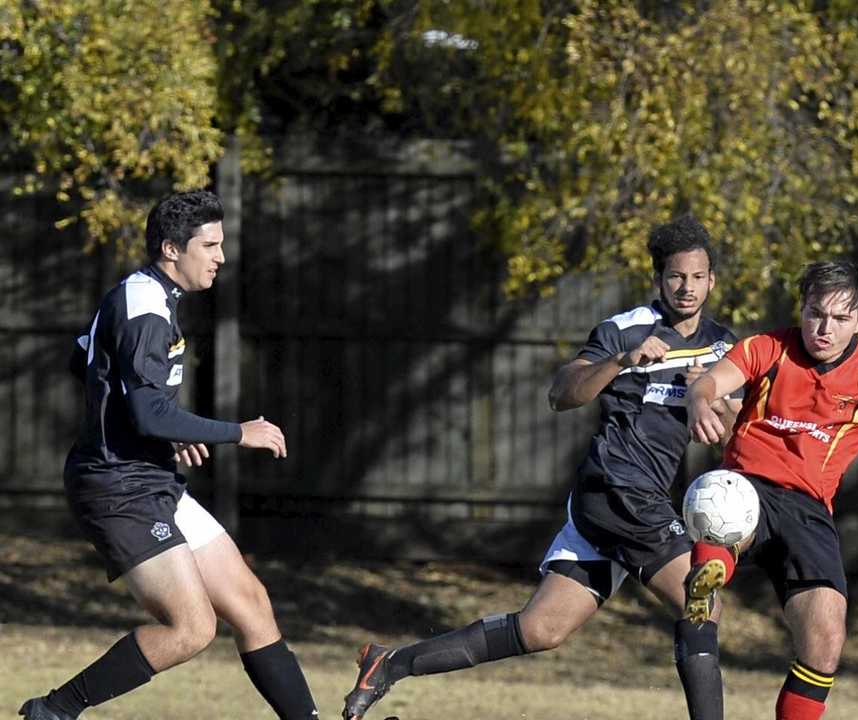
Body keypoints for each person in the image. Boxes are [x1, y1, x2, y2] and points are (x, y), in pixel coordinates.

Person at [342, 214, 742, 720]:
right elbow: (561, 393)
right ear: (659, 278)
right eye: (676, 276)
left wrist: (711, 399)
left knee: (540, 630)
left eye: (698, 276)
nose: (687, 287)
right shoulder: (626, 329)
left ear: (712, 280)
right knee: (701, 603)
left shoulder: (723, 347)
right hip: (617, 490)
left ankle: (390, 664)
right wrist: (621, 361)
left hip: (627, 503)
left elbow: (731, 432)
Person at [19, 190, 318, 720]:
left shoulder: (147, 296)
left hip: (149, 477)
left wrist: (148, 421)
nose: (221, 257)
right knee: (193, 629)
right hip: (117, 488)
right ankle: (54, 712)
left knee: (250, 602)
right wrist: (236, 432)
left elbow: (82, 362)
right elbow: (149, 413)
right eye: (210, 245)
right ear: (171, 249)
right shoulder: (144, 308)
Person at [683, 259, 858, 720]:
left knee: (826, 641)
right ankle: (712, 567)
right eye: (815, 313)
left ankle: (714, 566)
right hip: (747, 484)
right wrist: (699, 400)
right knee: (724, 501)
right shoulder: (768, 347)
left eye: (839, 318)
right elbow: (713, 382)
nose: (824, 328)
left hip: (809, 510)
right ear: (802, 309)